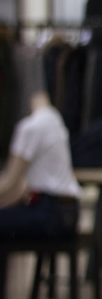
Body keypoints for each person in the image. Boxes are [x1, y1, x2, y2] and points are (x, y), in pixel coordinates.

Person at [0, 91, 82, 239]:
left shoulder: (30, 127)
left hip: (47, 212)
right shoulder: (54, 118)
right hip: (69, 213)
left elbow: (10, 182)